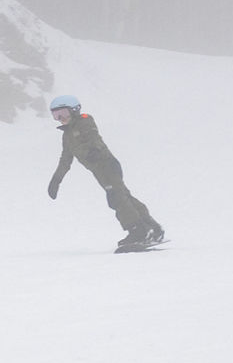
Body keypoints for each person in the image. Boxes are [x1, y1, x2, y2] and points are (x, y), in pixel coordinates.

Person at [44, 95, 167, 252]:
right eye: (56, 115)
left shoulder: (84, 121)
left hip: (106, 164)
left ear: (74, 110)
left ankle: (138, 231)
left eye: (63, 113)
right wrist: (56, 179)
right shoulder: (67, 135)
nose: (60, 118)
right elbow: (65, 159)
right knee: (123, 196)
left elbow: (92, 135)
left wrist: (94, 150)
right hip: (98, 170)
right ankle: (152, 228)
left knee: (116, 198)